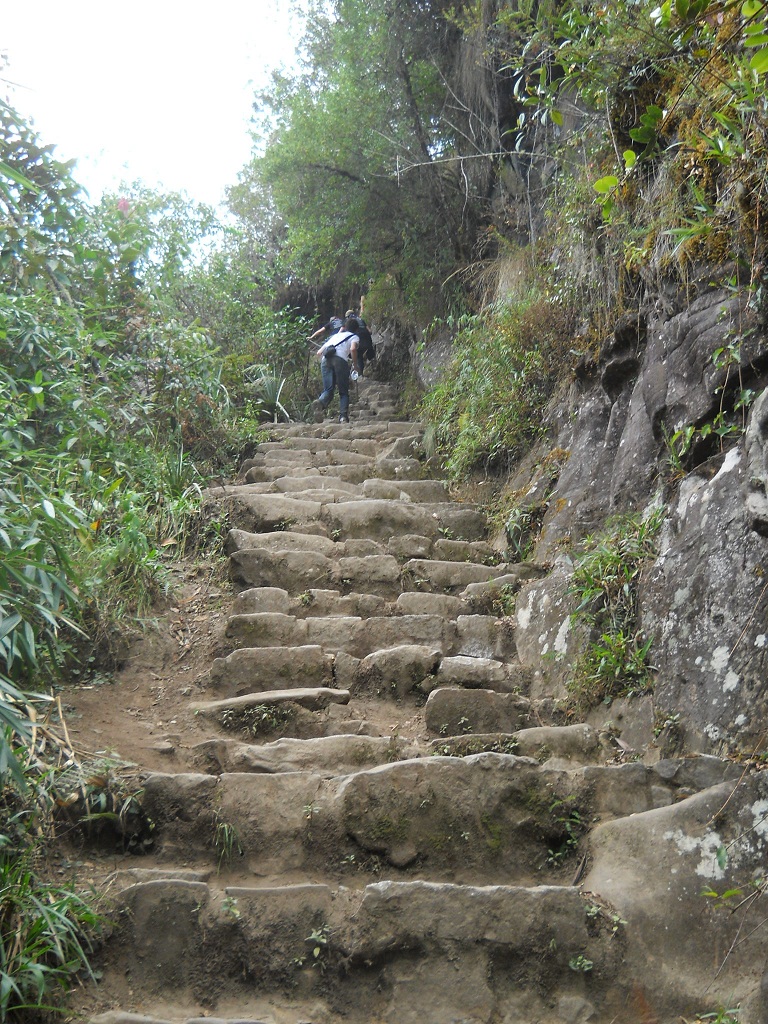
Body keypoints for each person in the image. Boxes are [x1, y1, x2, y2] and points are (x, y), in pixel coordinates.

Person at [312, 317, 360, 423]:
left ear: (345, 327)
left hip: (325, 360)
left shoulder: (336, 336)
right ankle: (343, 417)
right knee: (343, 391)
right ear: (356, 329)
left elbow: (319, 352)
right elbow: (353, 349)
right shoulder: (354, 337)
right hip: (340, 361)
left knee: (328, 390)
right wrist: (355, 365)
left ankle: (320, 403)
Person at [344, 308, 375, 376]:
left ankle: (360, 374)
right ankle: (374, 366)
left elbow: (348, 333)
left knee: (358, 355)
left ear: (348, 316)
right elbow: (370, 331)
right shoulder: (361, 319)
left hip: (358, 338)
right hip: (367, 338)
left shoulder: (349, 321)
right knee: (369, 351)